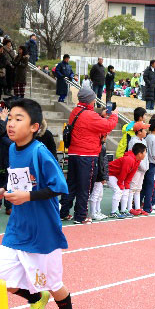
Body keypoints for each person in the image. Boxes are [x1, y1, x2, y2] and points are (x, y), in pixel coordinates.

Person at [0, 98, 79, 309]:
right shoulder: (12, 150)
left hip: (43, 230)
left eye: (18, 119)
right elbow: (17, 181)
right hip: (18, 227)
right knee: (0, 277)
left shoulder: (40, 152)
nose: (11, 124)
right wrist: (2, 191)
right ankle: (37, 298)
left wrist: (27, 196)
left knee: (53, 284)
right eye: (9, 118)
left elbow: (60, 186)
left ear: (34, 127)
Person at [59, 88, 118, 224]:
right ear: (90, 100)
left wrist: (100, 115)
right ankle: (81, 216)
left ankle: (63, 212)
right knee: (85, 187)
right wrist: (114, 115)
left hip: (74, 153)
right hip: (87, 155)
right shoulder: (90, 115)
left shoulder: (76, 112)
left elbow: (89, 121)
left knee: (72, 185)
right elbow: (108, 126)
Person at [108, 143, 147, 219]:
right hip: (110, 173)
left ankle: (123, 210)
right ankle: (113, 212)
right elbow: (124, 172)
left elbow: (130, 175)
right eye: (145, 152)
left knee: (126, 191)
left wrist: (126, 184)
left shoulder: (137, 160)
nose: (145, 154)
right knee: (118, 191)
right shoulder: (129, 159)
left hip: (117, 175)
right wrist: (120, 183)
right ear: (139, 154)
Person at [126, 122, 150, 216]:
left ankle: (137, 207)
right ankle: (129, 208)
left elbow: (145, 156)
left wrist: (145, 167)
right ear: (139, 132)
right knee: (132, 188)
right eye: (144, 129)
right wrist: (141, 166)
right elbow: (134, 156)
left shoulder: (143, 140)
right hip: (136, 169)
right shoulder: (133, 141)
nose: (146, 131)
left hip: (143, 169)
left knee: (138, 189)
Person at [88, 132, 109, 221]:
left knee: (99, 194)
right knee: (95, 194)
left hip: (99, 173)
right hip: (98, 174)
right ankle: (93, 212)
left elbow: (103, 163)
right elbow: (101, 163)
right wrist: (103, 176)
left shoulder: (102, 147)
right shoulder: (100, 148)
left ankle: (97, 211)